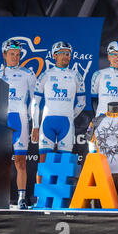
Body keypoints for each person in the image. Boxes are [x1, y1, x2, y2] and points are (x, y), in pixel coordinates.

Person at [31, 41, 86, 183]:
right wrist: (35, 126)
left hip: (66, 125)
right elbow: (35, 102)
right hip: (47, 123)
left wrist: (69, 115)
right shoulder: (46, 74)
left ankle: (61, 203)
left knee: (64, 166)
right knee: (43, 164)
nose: (66, 57)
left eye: (68, 54)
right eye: (63, 54)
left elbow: (82, 102)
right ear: (55, 55)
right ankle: (40, 201)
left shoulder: (76, 75)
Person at [0, 39, 36, 209]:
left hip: (20, 119)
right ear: (4, 55)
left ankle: (21, 198)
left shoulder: (28, 74)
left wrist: (34, 122)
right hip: (1, 121)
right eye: (12, 54)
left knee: (20, 161)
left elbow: (34, 100)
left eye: (18, 55)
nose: (15, 57)